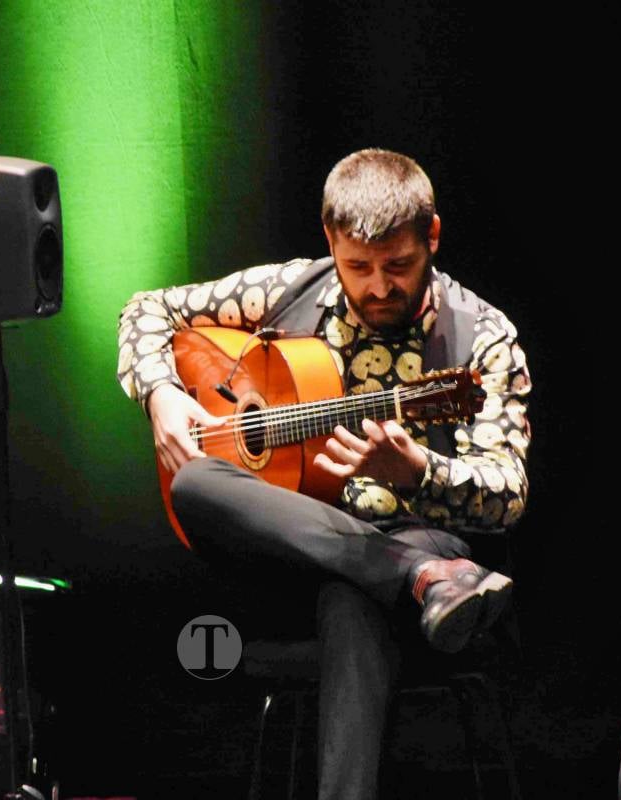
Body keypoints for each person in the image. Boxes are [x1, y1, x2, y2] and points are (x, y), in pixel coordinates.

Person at [116, 148, 531, 798]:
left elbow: (507, 495)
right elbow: (146, 310)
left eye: (399, 265)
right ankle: (419, 577)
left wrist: (418, 472)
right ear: (329, 239)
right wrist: (162, 394)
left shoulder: (481, 336)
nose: (378, 287)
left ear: (433, 237)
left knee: (351, 595)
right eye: (358, 266)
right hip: (291, 559)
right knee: (195, 482)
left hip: (419, 553)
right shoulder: (289, 289)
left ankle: (414, 572)